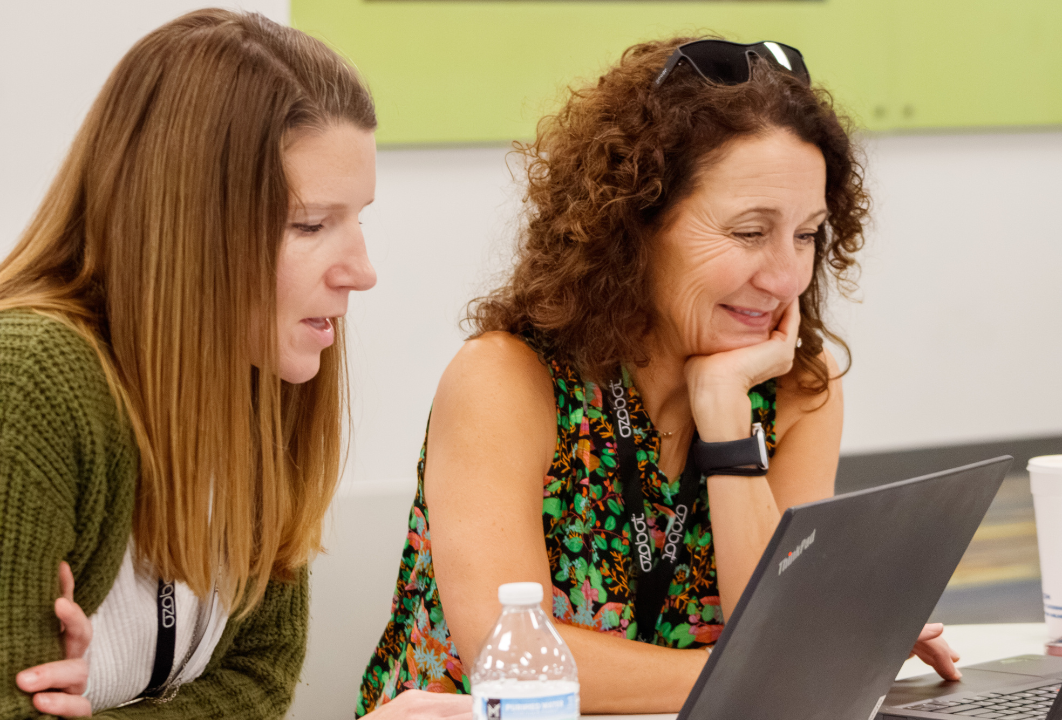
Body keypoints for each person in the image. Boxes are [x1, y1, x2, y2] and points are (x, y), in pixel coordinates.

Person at [358, 38, 960, 716]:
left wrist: (726, 417)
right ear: (636, 224)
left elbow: (775, 637)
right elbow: (509, 658)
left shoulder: (796, 387)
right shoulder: (505, 379)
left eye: (806, 234)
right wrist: (776, 665)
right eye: (749, 232)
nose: (786, 276)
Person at [0, 9, 468, 720]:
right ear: (186, 226)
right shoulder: (32, 378)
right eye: (309, 224)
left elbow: (260, 677)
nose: (362, 271)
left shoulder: (259, 373)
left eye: (358, 219)